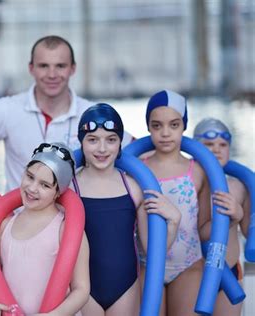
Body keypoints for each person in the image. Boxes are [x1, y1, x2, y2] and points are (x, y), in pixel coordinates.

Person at [0, 35, 134, 192]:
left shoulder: (91, 114)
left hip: (76, 222)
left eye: (60, 66)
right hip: (20, 220)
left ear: (72, 69)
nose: (52, 74)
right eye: (44, 66)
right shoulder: (8, 109)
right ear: (31, 68)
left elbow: (139, 150)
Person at [74, 103, 181, 316]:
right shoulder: (70, 188)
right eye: (93, 140)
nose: (102, 149)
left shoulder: (133, 188)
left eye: (111, 140)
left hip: (125, 286)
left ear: (120, 143)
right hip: (82, 287)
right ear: (81, 142)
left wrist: (174, 221)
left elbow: (152, 250)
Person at [0, 142, 90, 316]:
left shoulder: (66, 232)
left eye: (45, 185)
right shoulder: (6, 226)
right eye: (30, 177)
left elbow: (81, 290)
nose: (32, 188)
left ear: (58, 192)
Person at [140, 90, 212, 315]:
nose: (165, 133)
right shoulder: (138, 169)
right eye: (157, 125)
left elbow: (203, 226)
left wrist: (232, 219)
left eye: (173, 125)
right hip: (146, 264)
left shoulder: (198, 171)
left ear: (184, 126)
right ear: (149, 127)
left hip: (188, 265)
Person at [193, 118, 249, 316]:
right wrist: (231, 219)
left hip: (230, 272)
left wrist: (240, 215)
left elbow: (249, 230)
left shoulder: (239, 186)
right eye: (208, 144)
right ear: (194, 148)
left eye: (223, 144)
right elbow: (194, 233)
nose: (216, 149)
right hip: (195, 274)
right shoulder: (189, 185)